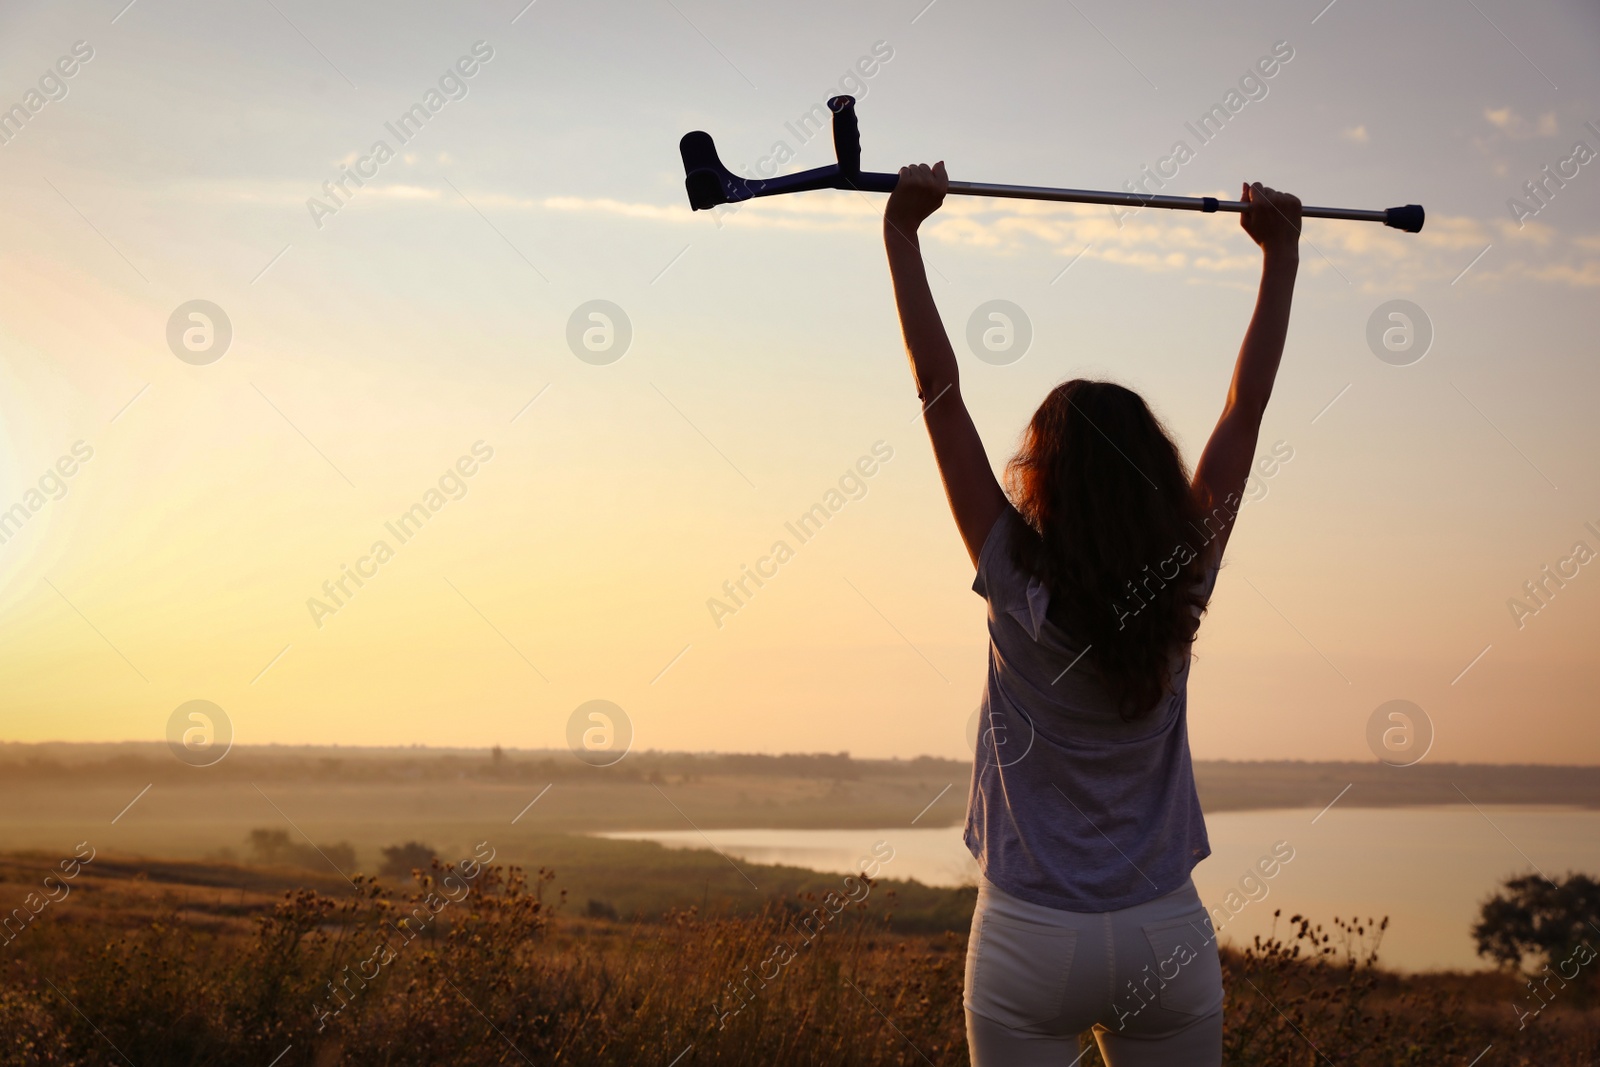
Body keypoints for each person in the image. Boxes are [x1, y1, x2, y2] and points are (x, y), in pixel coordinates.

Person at [882, 163, 1302, 1067]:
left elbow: (937, 392)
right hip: (1166, 935)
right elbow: (1246, 406)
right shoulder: (1185, 577)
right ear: (1153, 474)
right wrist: (1282, 256)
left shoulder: (1008, 568)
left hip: (1029, 938)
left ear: (1043, 479)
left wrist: (904, 236)